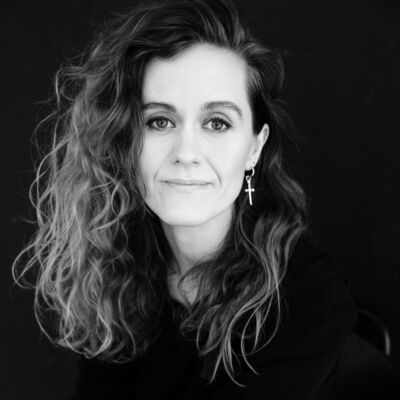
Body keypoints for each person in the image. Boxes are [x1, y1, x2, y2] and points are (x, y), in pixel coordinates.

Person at [12, 0, 359, 398]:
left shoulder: (307, 300)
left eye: (217, 123)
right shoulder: (119, 267)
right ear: (123, 141)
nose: (186, 152)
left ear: (254, 148)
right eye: (160, 121)